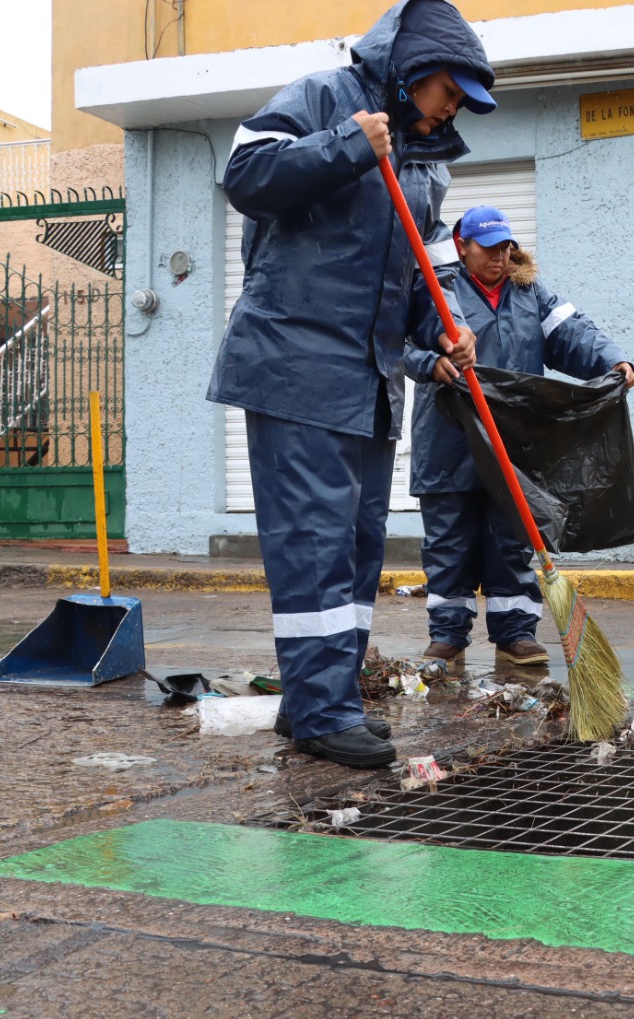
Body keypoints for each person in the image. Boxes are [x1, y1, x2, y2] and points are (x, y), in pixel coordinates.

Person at [208, 0, 491, 768]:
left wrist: (446, 329)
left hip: (369, 379)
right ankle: (324, 710)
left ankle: (318, 705)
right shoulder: (325, 99)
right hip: (295, 365)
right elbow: (246, 174)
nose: (452, 108)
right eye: (450, 91)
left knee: (359, 547)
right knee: (314, 544)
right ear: (416, 68)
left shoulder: (425, 161)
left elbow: (423, 275)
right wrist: (346, 146)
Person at [403, 206, 634, 665]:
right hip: (448, 437)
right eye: (488, 249)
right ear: (461, 246)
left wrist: (613, 361)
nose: (499, 257)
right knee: (450, 542)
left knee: (510, 540)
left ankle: (515, 634)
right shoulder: (436, 290)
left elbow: (572, 332)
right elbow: (398, 345)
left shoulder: (530, 294)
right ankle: (447, 636)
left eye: (505, 247)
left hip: (509, 440)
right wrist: (430, 364)